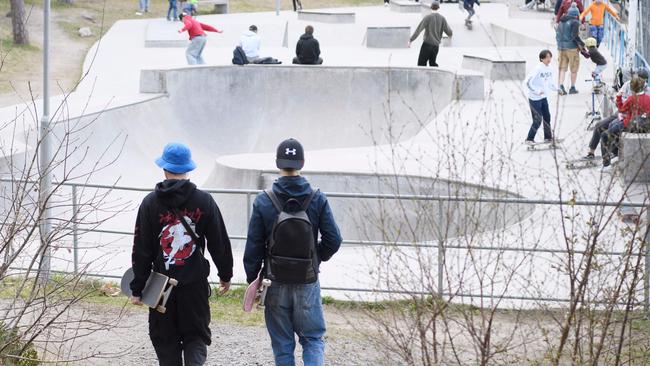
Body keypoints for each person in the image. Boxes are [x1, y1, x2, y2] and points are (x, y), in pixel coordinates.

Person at [130, 142, 234, 365]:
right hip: (194, 285)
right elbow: (219, 243)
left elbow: (141, 250)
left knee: (165, 341)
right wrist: (225, 275)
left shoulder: (150, 203)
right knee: (195, 337)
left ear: (164, 168)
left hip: (161, 289)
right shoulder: (204, 201)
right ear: (188, 168)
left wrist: (137, 288)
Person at [244, 138, 342, 366]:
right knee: (313, 339)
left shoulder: (264, 201)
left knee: (283, 344)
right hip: (307, 280)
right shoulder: (317, 198)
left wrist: (254, 280)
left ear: (278, 162)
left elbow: (253, 247)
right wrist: (316, 258)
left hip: (275, 280)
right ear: (302, 163)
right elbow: (334, 240)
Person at [584, 68, 649, 161]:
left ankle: (614, 154)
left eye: (642, 78)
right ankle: (591, 152)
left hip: (631, 116)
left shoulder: (647, 91)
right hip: (622, 112)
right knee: (599, 125)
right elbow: (620, 100)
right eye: (637, 76)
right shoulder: (628, 84)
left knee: (613, 127)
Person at [601, 77, 650, 168]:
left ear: (632, 88)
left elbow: (621, 110)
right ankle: (615, 154)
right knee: (613, 126)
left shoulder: (632, 98)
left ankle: (606, 164)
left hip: (630, 125)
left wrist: (619, 97)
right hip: (645, 126)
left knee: (605, 135)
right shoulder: (648, 98)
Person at [524, 50, 559, 145]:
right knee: (537, 120)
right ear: (541, 58)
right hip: (534, 99)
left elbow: (551, 83)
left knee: (547, 117)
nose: (549, 59)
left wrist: (558, 89)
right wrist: (537, 91)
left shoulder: (549, 69)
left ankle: (547, 137)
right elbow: (527, 82)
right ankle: (529, 139)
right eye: (547, 57)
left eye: (550, 57)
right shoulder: (537, 69)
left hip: (543, 98)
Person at [408, 1, 453, 67]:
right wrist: (449, 36)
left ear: (431, 7)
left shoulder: (427, 17)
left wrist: (411, 40)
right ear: (438, 8)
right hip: (436, 47)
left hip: (427, 45)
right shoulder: (442, 19)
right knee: (432, 64)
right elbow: (450, 32)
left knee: (421, 64)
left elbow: (418, 30)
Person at [556, 4, 584, 95]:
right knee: (574, 69)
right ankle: (572, 87)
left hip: (561, 48)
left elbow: (557, 35)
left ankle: (560, 86)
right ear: (576, 14)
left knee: (562, 69)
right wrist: (582, 44)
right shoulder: (575, 22)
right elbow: (574, 36)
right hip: (572, 49)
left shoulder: (561, 22)